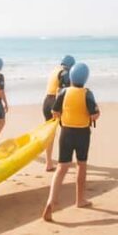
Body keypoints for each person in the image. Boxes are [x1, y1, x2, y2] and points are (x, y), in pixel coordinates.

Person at [42, 62, 100, 222]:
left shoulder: (63, 92)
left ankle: (50, 201)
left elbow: (55, 112)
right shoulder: (87, 93)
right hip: (82, 133)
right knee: (81, 165)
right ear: (85, 78)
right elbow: (94, 115)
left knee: (61, 167)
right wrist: (97, 112)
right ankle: (80, 200)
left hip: (66, 133)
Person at [41, 55, 75, 172]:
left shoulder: (55, 71)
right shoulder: (65, 73)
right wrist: (59, 108)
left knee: (50, 134)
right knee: (66, 131)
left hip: (46, 102)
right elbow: (60, 92)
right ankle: (63, 160)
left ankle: (48, 162)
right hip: (55, 102)